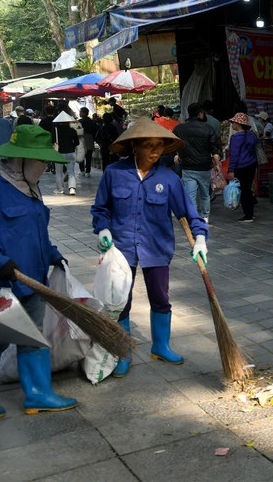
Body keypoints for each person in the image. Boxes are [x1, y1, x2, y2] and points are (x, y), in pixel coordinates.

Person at [0, 125, 77, 418]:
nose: (45, 167)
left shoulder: (31, 189)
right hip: (2, 283)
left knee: (34, 336)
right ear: (20, 160)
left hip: (34, 279)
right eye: (41, 161)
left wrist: (53, 255)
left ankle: (38, 394)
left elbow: (36, 233)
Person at [91, 118, 209, 378]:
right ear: (134, 146)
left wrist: (200, 239)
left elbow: (189, 214)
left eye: (159, 146)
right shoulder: (114, 173)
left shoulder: (169, 179)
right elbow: (100, 209)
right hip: (121, 249)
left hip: (156, 248)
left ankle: (161, 345)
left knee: (160, 298)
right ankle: (123, 352)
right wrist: (103, 229)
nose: (155, 151)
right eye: (148, 145)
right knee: (121, 302)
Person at [173, 103, 220, 223]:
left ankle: (193, 218)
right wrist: (217, 165)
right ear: (200, 113)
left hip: (187, 167)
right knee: (205, 194)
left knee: (190, 195)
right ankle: (205, 217)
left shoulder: (179, 128)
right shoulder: (208, 128)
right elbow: (214, 150)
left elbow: (173, 144)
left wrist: (177, 155)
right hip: (204, 167)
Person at [227, 112, 259, 223]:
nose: (231, 124)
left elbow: (234, 155)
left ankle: (248, 215)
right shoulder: (252, 135)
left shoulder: (235, 138)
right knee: (248, 189)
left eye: (233, 122)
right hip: (251, 164)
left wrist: (231, 170)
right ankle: (250, 213)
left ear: (239, 124)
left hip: (241, 167)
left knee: (244, 191)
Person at [52, 111, 79, 195]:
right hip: (71, 152)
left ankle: (60, 189)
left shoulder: (55, 130)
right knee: (71, 172)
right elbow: (77, 142)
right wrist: (72, 146)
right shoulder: (72, 130)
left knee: (59, 172)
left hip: (59, 153)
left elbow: (52, 141)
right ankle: (72, 189)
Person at [79, 107, 97, 177]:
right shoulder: (92, 122)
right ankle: (88, 172)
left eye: (80, 112)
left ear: (83, 113)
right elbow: (95, 130)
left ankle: (82, 171)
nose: (79, 113)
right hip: (90, 139)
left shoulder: (80, 122)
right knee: (88, 156)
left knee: (81, 155)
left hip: (82, 139)